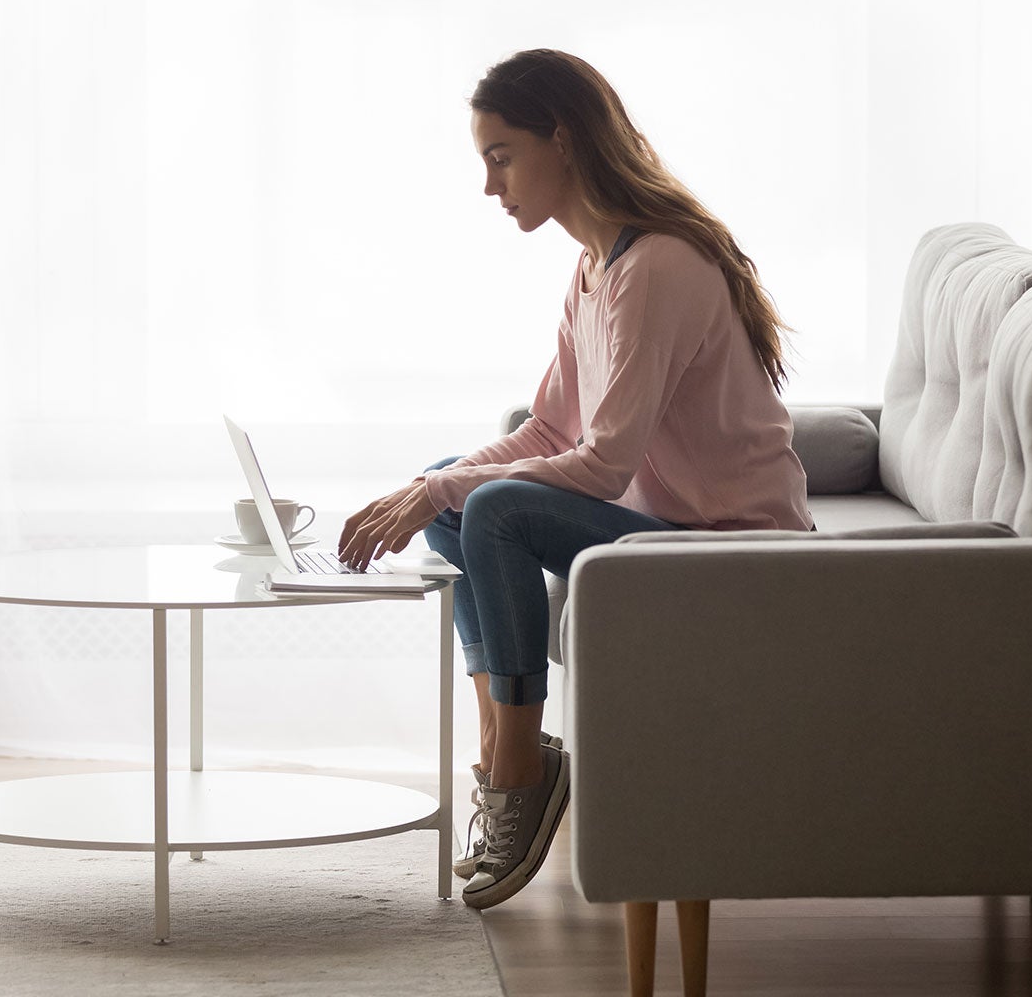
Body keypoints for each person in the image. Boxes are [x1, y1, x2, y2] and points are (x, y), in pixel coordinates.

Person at [337, 49, 812, 910]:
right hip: (663, 536)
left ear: (562, 140)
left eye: (502, 156)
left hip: (735, 556)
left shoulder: (657, 268)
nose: (491, 187)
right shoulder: (595, 268)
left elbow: (603, 463)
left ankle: (520, 773)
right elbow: (549, 428)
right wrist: (424, 485)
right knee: (457, 489)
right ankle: (505, 752)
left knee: (490, 507)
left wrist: (447, 493)